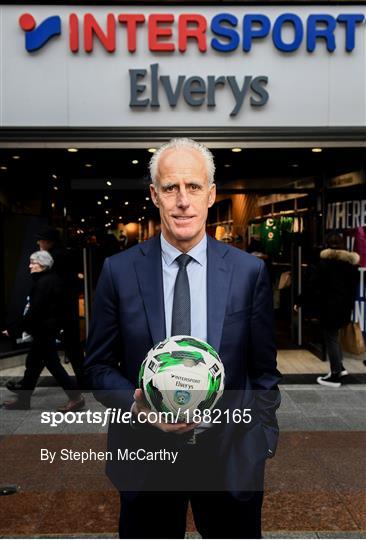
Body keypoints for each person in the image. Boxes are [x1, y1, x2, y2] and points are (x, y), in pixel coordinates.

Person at [84, 138, 281, 539]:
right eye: (171, 188)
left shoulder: (248, 273)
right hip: (146, 455)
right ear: (155, 195)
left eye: (193, 187)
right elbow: (98, 366)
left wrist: (262, 440)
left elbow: (264, 371)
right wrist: (138, 408)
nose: (182, 201)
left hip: (229, 457)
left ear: (211, 194)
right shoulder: (118, 271)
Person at [3, 251, 84, 411]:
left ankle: (75, 397)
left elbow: (35, 311)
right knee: (33, 364)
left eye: (33, 262)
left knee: (52, 365)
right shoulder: (48, 280)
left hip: (44, 331)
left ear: (42, 264)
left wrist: (13, 330)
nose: (30, 265)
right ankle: (24, 399)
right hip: (45, 330)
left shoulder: (44, 283)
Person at [295, 233, 360, 388]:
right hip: (344, 308)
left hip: (329, 307)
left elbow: (312, 286)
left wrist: (299, 301)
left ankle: (335, 374)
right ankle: (341, 368)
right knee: (334, 336)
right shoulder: (350, 265)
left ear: (327, 246)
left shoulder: (324, 264)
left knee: (330, 337)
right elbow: (353, 290)